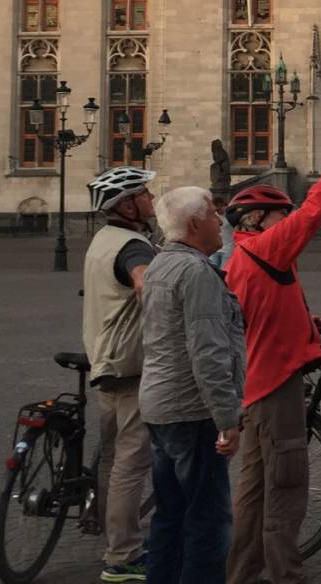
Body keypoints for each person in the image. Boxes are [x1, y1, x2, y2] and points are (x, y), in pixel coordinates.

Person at [225, 131, 321, 584]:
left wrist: (309, 324)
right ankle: (287, 575)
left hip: (254, 386)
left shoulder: (243, 259)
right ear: (259, 219)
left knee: (252, 490)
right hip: (274, 386)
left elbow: (266, 308)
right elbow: (313, 211)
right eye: (279, 216)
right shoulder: (266, 248)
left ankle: (241, 572)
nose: (286, 223)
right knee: (286, 488)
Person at [139, 188, 246, 584]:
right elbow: (208, 352)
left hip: (160, 406)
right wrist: (227, 418)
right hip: (191, 411)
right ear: (195, 224)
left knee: (169, 516)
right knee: (208, 523)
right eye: (215, 216)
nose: (222, 222)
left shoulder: (159, 265)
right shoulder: (196, 272)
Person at [83, 166, 158, 584]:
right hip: (131, 367)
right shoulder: (134, 247)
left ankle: (113, 533)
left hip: (104, 362)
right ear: (128, 205)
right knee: (131, 462)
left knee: (112, 458)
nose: (152, 199)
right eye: (145, 194)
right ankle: (123, 555)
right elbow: (147, 282)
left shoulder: (102, 240)